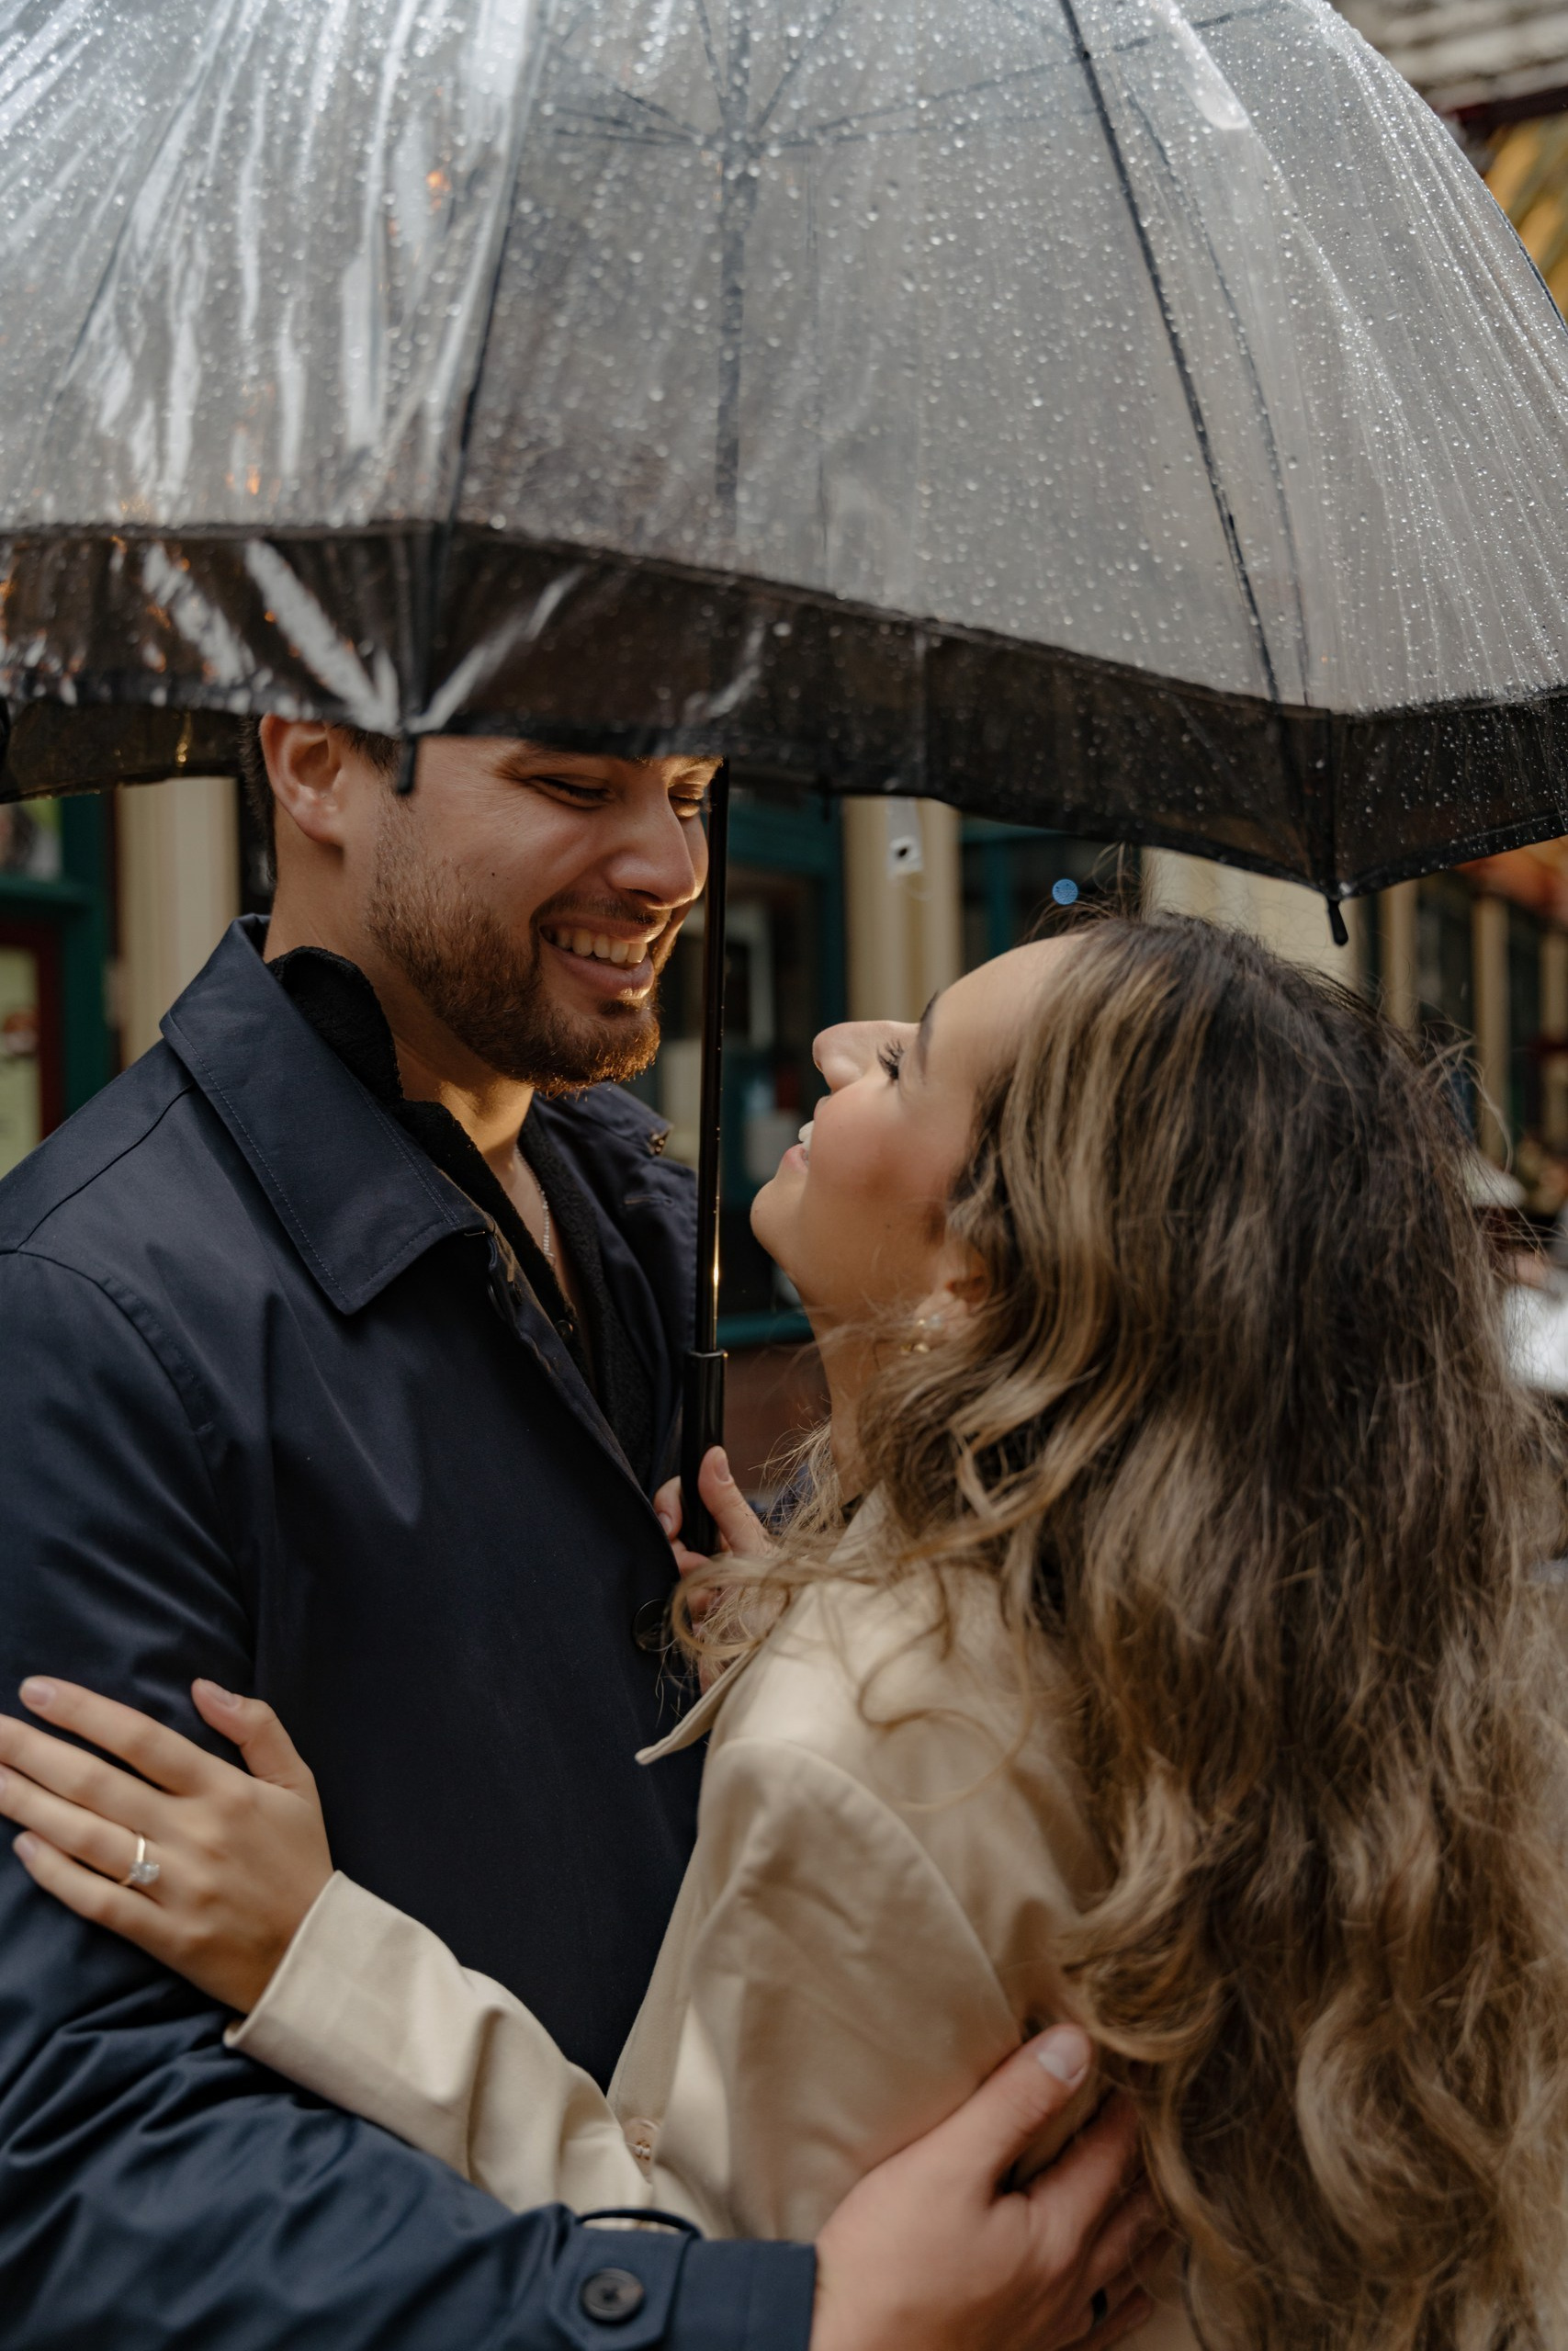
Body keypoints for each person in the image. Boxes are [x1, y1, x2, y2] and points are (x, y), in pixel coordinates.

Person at [9, 909, 1568, 2346]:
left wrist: (320, 1954)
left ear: (980, 1277)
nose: (836, 1045)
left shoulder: (877, 1735)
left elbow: (721, 2271)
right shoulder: (1267, 1612)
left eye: (908, 1064)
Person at [0, 720, 1156, 2351]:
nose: (672, 868)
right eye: (573, 785)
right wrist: (752, 2323)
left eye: (685, 797)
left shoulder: (637, 1222)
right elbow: (77, 2177)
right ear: (318, 767)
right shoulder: (81, 1319)